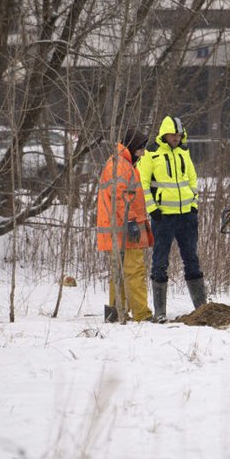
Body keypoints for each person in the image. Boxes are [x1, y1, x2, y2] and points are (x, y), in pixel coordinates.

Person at [137, 115, 206, 322]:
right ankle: (160, 312)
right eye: (173, 134)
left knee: (192, 260)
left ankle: (202, 310)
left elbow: (192, 179)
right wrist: (152, 209)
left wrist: (193, 205)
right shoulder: (152, 154)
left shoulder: (184, 153)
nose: (176, 138)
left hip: (187, 217)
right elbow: (143, 183)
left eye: (178, 134)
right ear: (164, 134)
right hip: (163, 218)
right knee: (160, 262)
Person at [96, 131, 153, 322]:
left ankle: (116, 312)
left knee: (118, 271)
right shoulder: (121, 166)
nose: (143, 153)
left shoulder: (120, 163)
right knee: (134, 271)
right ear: (131, 146)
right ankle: (141, 314)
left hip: (118, 229)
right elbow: (119, 197)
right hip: (125, 230)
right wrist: (130, 221)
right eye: (140, 148)